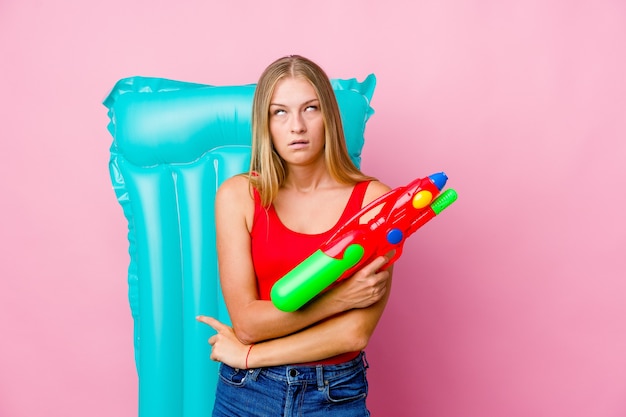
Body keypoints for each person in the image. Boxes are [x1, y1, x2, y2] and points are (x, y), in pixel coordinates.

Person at [197, 55, 393, 417]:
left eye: (310, 108)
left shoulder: (375, 202)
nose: (297, 126)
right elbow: (249, 323)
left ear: (329, 118)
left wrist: (249, 354)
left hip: (334, 395)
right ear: (265, 124)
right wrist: (340, 298)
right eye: (280, 112)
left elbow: (352, 335)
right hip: (246, 393)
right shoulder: (237, 196)